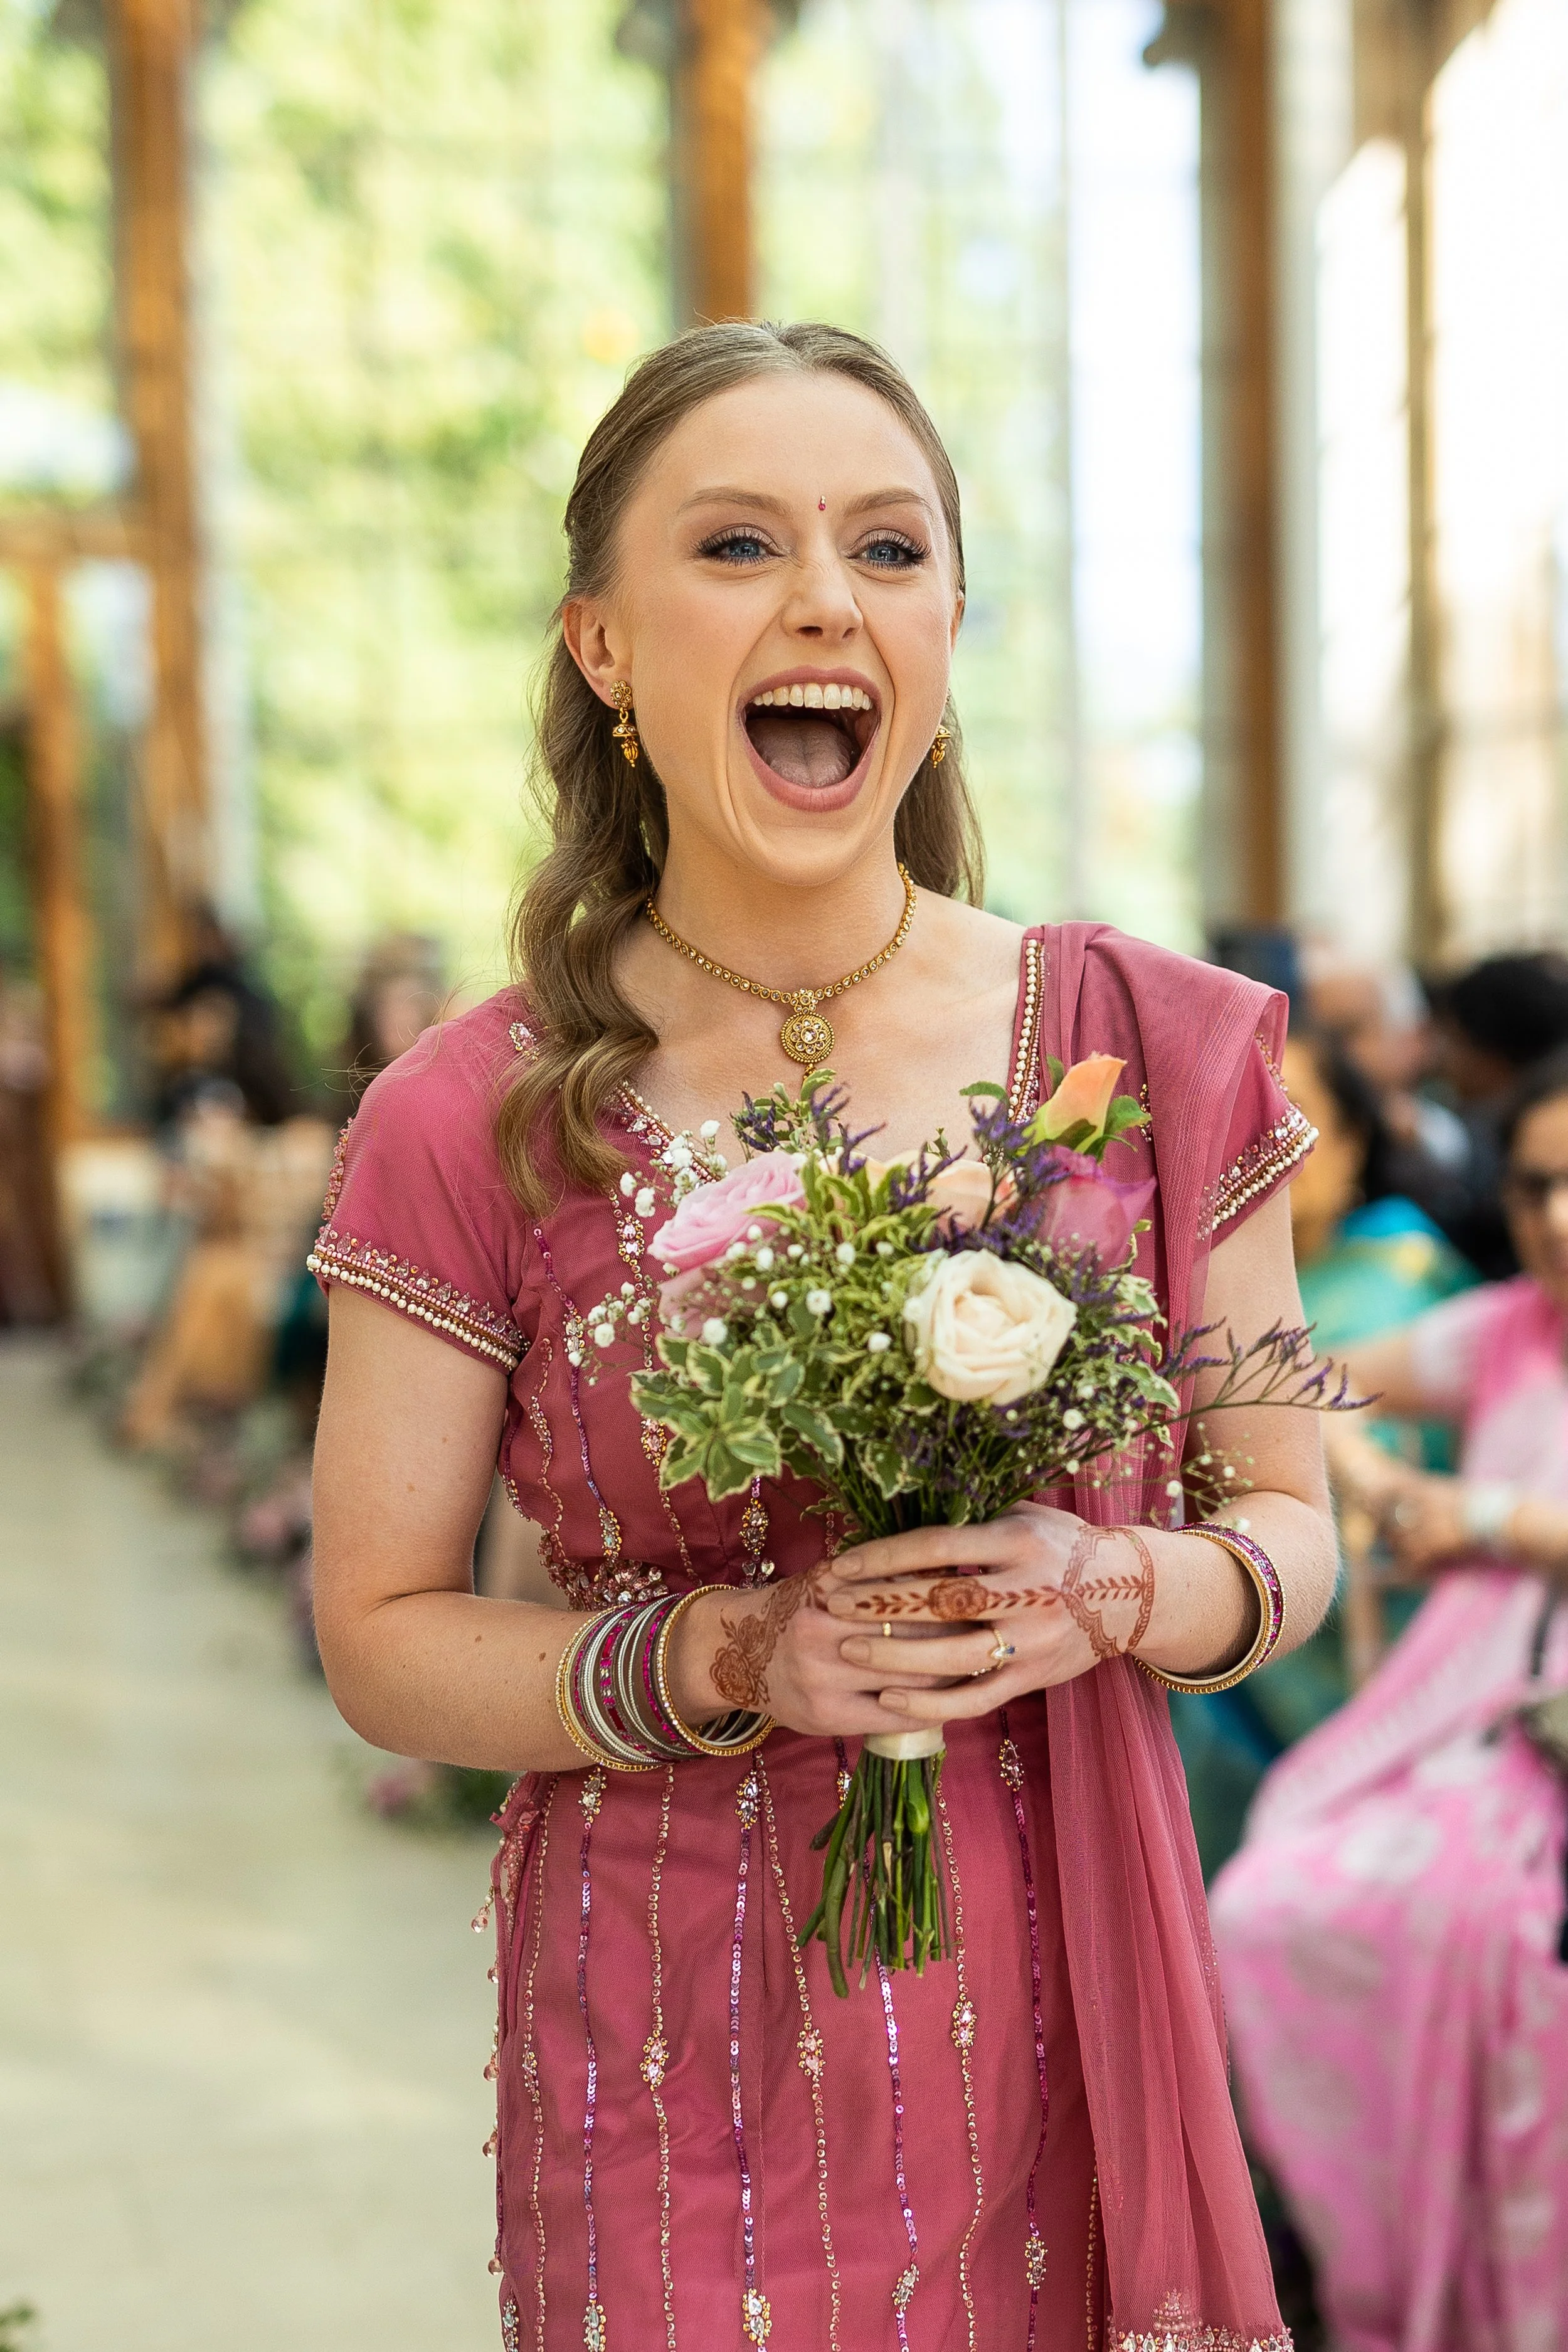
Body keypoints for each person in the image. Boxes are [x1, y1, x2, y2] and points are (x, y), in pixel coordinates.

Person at [308, 320, 1335, 2349]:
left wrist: (1119, 1584)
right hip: (665, 2040)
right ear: (600, 643)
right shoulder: (474, 1112)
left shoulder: (1148, 1049)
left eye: (886, 548)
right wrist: (730, 1654)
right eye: (735, 547)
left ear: (951, 624)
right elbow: (382, 1636)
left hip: (1067, 2022)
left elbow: (1295, 1524)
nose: (821, 603)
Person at [1210, 1048, 1568, 2352]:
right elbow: (1288, 1376)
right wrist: (1363, 1477)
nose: (1558, 1219)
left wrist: (1480, 1516)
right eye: (1534, 1188)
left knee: (1494, 1944)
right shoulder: (1507, 1325)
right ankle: (1386, 2267)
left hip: (1526, 1739)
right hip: (1472, 1717)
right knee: (1270, 1904)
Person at [1173, 1026, 1475, 1877]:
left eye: (1282, 1119)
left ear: (1348, 1146)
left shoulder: (1387, 1288)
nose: (1250, 1144)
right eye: (1228, 1117)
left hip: (1363, 1656)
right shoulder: (1195, 1283)